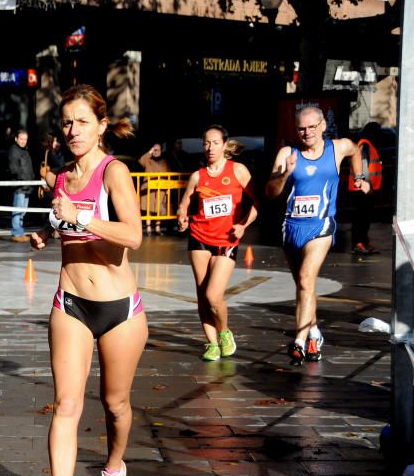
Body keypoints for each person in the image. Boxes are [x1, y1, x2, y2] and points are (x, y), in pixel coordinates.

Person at [29, 85, 145, 476]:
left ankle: (114, 468)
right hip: (71, 303)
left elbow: (132, 236)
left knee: (115, 404)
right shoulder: (61, 178)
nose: (72, 130)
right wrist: (46, 230)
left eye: (81, 122)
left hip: (119, 308)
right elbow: (64, 220)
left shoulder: (114, 172)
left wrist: (80, 219)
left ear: (100, 125)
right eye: (66, 122)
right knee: (66, 404)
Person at [266, 106, 368, 364]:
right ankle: (314, 332)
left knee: (305, 277)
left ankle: (299, 341)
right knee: (303, 286)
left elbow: (356, 151)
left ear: (323, 126)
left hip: (321, 225)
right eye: (302, 128)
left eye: (312, 127)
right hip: (292, 227)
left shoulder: (338, 147)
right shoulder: (287, 154)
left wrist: (359, 176)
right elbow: (270, 192)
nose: (307, 132)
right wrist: (285, 174)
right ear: (295, 130)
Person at [176, 125, 259, 361]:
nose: (209, 148)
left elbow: (257, 202)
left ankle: (224, 333)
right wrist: (182, 216)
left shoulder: (238, 171)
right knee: (202, 295)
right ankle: (211, 343)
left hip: (227, 240)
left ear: (224, 145)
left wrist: (243, 224)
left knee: (214, 295)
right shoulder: (197, 176)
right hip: (199, 237)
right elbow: (184, 204)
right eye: (206, 143)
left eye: (214, 143)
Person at [349, 122, 383, 255]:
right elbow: (363, 166)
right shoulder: (365, 145)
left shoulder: (367, 145)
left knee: (364, 217)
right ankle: (359, 243)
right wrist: (367, 186)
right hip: (362, 189)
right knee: (361, 218)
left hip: (363, 189)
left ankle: (364, 241)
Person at [138, 141, 172, 235]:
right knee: (148, 208)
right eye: (154, 150)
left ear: (161, 151)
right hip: (148, 188)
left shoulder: (164, 162)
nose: (156, 152)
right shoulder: (148, 160)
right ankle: (148, 229)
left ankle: (157, 228)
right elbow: (141, 160)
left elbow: (169, 175)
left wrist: (167, 189)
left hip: (160, 189)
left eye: (158, 150)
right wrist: (150, 151)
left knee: (158, 209)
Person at [8, 128, 33, 241]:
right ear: (16, 139)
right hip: (20, 185)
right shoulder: (14, 151)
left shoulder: (25, 151)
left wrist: (30, 179)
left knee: (22, 210)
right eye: (21, 139)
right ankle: (17, 233)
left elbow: (28, 168)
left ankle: (20, 231)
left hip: (27, 185)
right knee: (18, 210)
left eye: (25, 139)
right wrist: (23, 179)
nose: (23, 141)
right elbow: (14, 168)